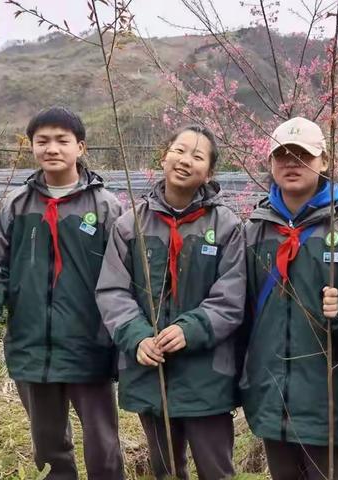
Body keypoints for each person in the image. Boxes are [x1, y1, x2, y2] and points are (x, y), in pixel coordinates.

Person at [96, 124, 246, 480]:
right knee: (165, 469)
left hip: (207, 373)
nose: (185, 160)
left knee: (216, 470)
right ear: (164, 157)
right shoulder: (130, 223)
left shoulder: (226, 225)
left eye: (197, 156)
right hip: (151, 370)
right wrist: (137, 337)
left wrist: (190, 329)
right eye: (179, 150)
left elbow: (232, 296)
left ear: (208, 172)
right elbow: (112, 290)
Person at [0, 106, 124, 479]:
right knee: (48, 445)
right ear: (32, 147)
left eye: (62, 140)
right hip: (32, 344)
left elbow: (122, 276)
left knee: (103, 441)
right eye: (42, 141)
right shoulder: (15, 206)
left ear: (80, 147)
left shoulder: (105, 207)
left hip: (89, 344)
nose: (52, 148)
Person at [240, 117, 338, 480]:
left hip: (330, 397)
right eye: (282, 154)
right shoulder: (253, 231)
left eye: (302, 155)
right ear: (270, 162)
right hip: (271, 393)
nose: (291, 163)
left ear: (324, 161)